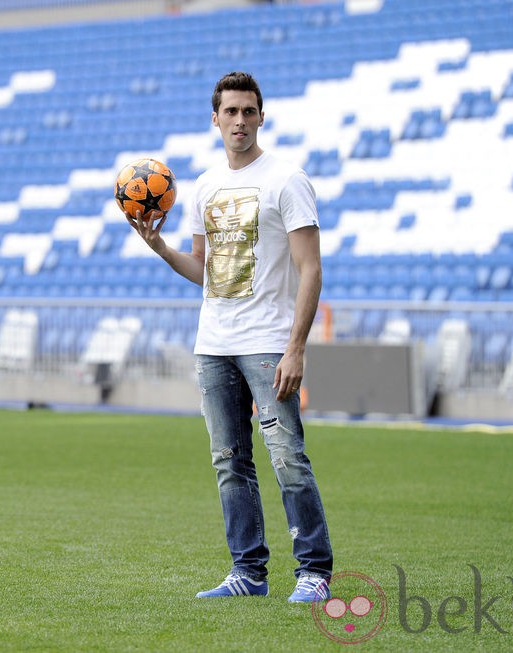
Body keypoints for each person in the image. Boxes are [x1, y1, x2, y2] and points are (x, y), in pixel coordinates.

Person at [127, 71, 332, 602]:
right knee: (229, 462)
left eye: (249, 111)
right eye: (230, 111)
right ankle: (248, 572)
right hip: (213, 341)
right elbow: (206, 269)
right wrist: (160, 249)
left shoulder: (287, 180)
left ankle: (314, 571)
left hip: (268, 342)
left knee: (287, 455)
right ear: (214, 118)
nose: (239, 120)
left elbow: (310, 269)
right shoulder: (204, 186)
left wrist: (296, 346)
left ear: (261, 116)